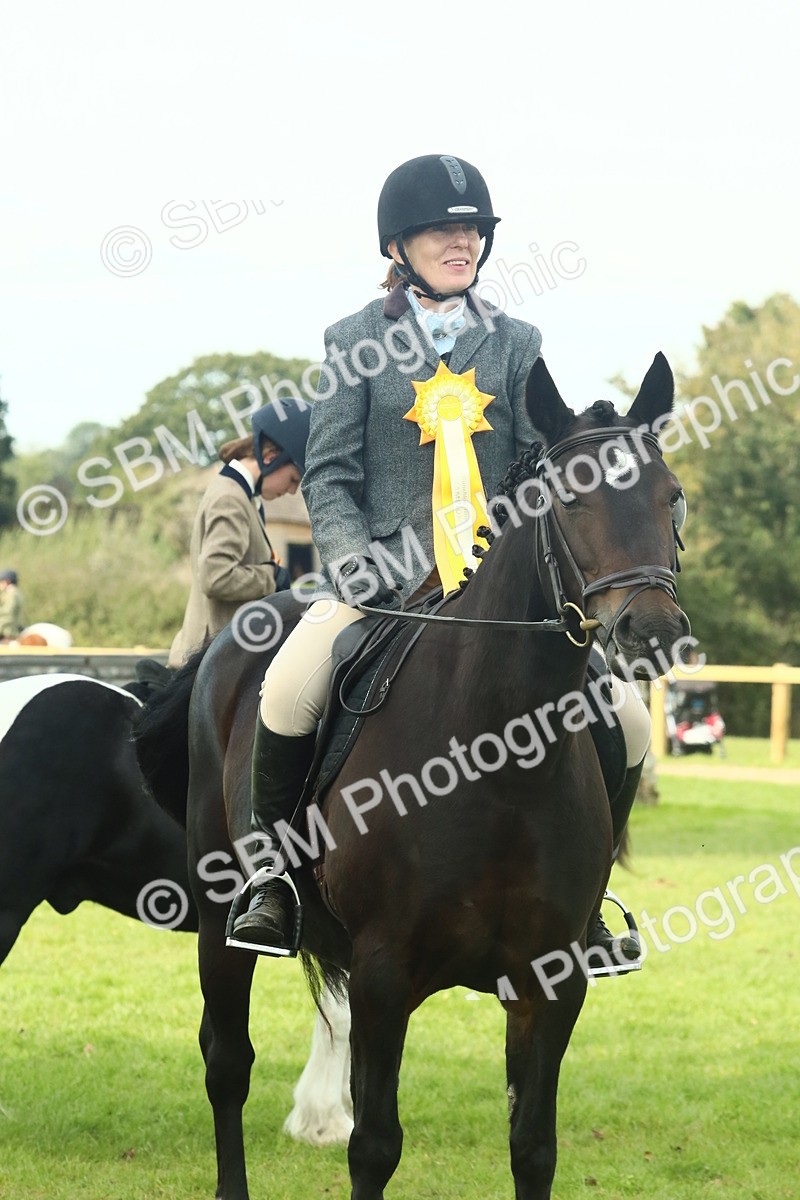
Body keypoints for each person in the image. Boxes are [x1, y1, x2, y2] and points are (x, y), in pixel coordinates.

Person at [231, 154, 651, 967]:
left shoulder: (518, 343)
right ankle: (271, 879)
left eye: (471, 230)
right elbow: (329, 472)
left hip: (501, 584)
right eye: (441, 229)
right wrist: (352, 561)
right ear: (399, 245)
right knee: (287, 687)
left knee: (627, 718)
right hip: (387, 577)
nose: (461, 241)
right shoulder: (353, 341)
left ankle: (588, 899)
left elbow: (541, 465)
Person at [167, 399, 311, 668]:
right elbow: (216, 577)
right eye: (293, 478)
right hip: (207, 662)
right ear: (270, 457)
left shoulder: (240, 494)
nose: (292, 490)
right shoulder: (230, 498)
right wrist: (270, 577)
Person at [0, 569, 25, 641]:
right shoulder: (11, 594)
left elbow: (7, 612)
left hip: (7, 631)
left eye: (1, 582)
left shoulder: (12, 595)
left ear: (7, 581)